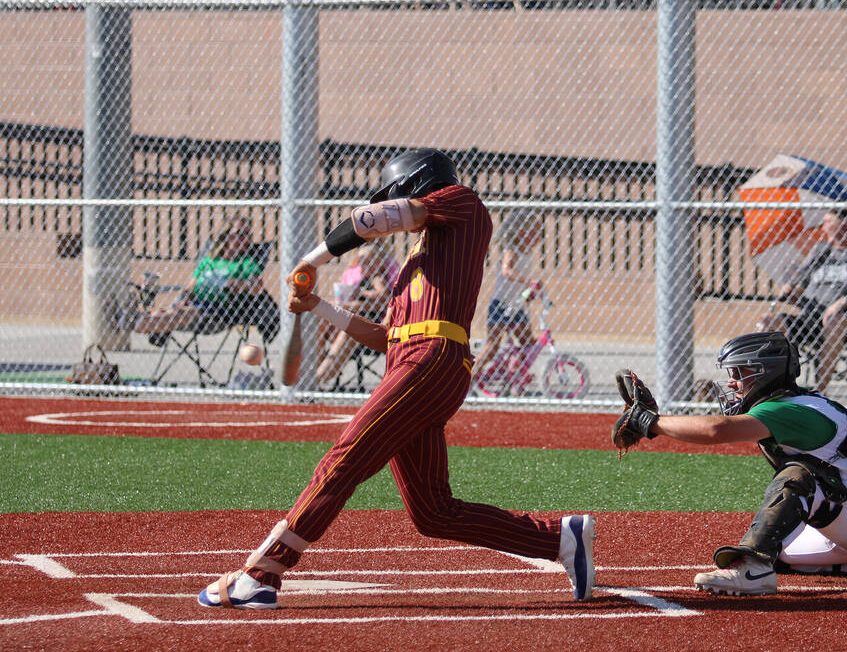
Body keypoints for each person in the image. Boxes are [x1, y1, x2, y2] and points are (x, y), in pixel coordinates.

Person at [198, 148, 594, 610]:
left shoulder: (462, 202)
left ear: (418, 182)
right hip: (415, 362)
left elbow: (381, 216)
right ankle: (561, 540)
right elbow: (389, 338)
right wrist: (318, 306)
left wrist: (313, 258)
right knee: (433, 512)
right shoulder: (417, 261)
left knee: (343, 459)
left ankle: (263, 572)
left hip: (433, 360)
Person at [615, 332, 847, 596]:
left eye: (739, 372)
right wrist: (653, 421)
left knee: (799, 477)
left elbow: (716, 429)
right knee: (779, 548)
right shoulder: (792, 403)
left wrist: (650, 423)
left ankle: (752, 569)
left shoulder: (794, 410)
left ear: (764, 373)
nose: (732, 382)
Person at [757, 209, 847, 393]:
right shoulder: (821, 250)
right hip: (812, 320)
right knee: (769, 322)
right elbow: (801, 286)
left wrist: (846, 300)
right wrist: (791, 290)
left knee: (835, 320)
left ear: (845, 224)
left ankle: (818, 393)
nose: (823, 227)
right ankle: (774, 387)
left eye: (828, 222)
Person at [126, 216, 279, 347]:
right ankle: (136, 319)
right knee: (167, 311)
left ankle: (133, 322)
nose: (244, 239)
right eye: (239, 233)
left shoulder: (246, 263)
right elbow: (190, 286)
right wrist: (184, 298)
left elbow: (257, 288)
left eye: (247, 234)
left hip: (217, 314)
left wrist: (239, 285)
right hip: (194, 305)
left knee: (182, 315)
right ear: (226, 235)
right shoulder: (208, 261)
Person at [472, 208, 543, 387]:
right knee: (492, 346)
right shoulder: (512, 249)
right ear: (522, 231)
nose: (539, 236)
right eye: (535, 231)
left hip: (516, 306)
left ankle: (513, 372)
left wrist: (529, 293)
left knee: (528, 342)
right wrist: (528, 281)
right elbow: (506, 270)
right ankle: (469, 381)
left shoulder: (528, 253)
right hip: (501, 305)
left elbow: (519, 284)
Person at [314, 242, 400, 385]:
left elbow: (383, 297)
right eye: (363, 264)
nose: (365, 267)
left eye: (370, 263)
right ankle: (316, 365)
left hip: (368, 322)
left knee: (346, 330)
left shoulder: (377, 278)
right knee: (321, 321)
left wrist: (358, 295)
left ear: (379, 264)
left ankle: (317, 378)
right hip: (348, 319)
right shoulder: (359, 277)